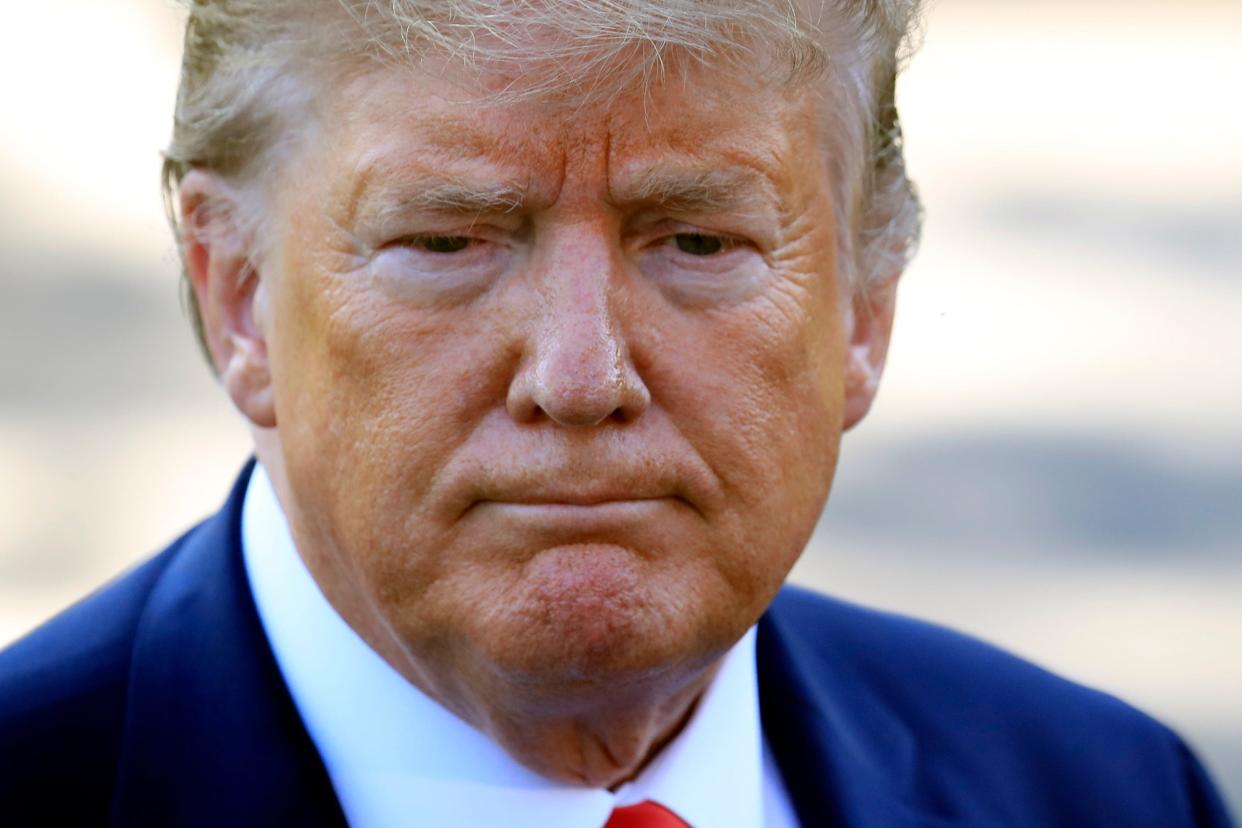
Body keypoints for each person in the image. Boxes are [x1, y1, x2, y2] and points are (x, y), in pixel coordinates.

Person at [0, 1, 1234, 826]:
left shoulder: (1105, 792)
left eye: (697, 239)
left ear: (865, 310)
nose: (581, 377)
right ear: (240, 301)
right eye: (448, 241)